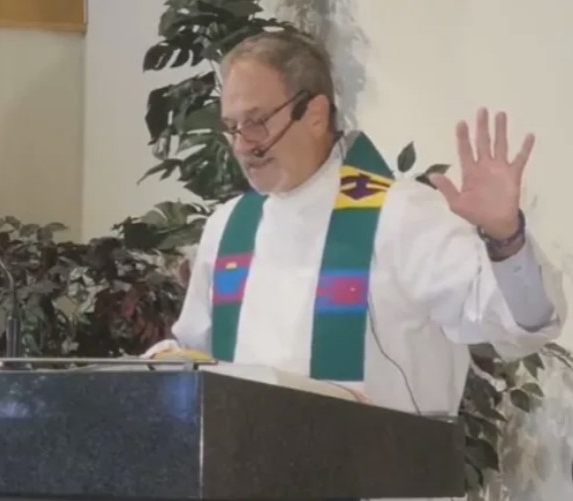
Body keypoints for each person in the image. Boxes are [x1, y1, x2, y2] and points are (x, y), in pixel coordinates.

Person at [144, 30, 566, 499]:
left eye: (257, 121)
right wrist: (164, 366)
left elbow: (519, 326)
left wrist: (506, 238)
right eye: (232, 126)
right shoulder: (228, 227)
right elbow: (197, 359)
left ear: (315, 113)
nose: (244, 144)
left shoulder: (402, 214)